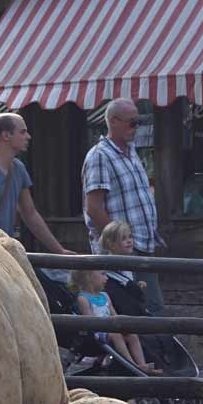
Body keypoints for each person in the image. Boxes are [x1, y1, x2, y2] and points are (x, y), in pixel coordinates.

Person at [84, 99, 163, 314]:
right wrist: (119, 241)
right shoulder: (100, 156)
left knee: (148, 308)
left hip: (140, 244)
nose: (136, 127)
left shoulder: (131, 151)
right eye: (132, 123)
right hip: (121, 249)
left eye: (138, 122)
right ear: (113, 121)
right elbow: (94, 208)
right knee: (135, 310)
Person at [0, 112, 71, 253]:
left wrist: (59, 250)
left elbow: (30, 213)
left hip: (5, 249)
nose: (28, 137)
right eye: (22, 132)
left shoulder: (18, 168)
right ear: (6, 135)